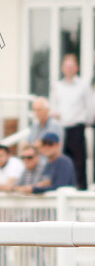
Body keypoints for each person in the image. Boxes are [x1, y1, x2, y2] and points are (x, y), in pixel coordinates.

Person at [50, 54, 91, 190]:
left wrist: (87, 121)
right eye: (66, 66)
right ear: (63, 68)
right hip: (62, 127)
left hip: (77, 126)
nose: (69, 69)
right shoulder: (58, 86)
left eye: (71, 66)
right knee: (64, 159)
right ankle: (66, 188)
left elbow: (89, 106)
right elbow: (54, 105)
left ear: (76, 68)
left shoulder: (83, 85)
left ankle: (81, 188)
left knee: (79, 161)